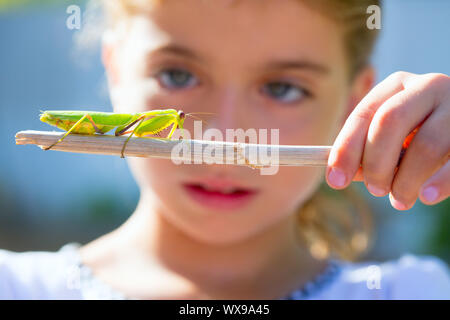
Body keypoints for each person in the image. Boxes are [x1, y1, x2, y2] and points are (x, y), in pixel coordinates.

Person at [1, 0, 449, 299]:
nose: (223, 136)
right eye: (177, 76)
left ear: (357, 101)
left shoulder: (415, 289)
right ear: (115, 71)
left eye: (282, 87)